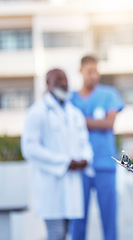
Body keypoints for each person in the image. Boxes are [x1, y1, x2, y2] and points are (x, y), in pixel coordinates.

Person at [21, 68, 93, 240]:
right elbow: (29, 148)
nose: (63, 83)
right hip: (50, 184)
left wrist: (85, 159)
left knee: (65, 234)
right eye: (58, 79)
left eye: (65, 79)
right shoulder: (37, 112)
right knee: (56, 233)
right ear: (48, 84)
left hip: (72, 185)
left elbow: (85, 143)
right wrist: (64, 162)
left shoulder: (75, 113)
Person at [69, 55, 124, 240]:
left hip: (104, 164)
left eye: (96, 71)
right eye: (89, 72)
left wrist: (79, 121)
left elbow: (109, 123)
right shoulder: (71, 98)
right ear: (80, 71)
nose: (94, 76)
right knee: (78, 219)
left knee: (109, 218)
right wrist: (94, 122)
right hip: (79, 165)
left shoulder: (108, 94)